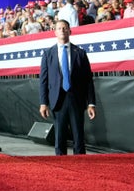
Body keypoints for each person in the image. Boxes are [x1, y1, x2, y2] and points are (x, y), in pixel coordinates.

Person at [39, 19, 96, 155]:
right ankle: (61, 166)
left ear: (70, 31)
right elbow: (43, 81)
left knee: (78, 136)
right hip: (57, 100)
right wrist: (43, 103)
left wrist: (91, 103)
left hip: (76, 99)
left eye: (65, 28)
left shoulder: (80, 53)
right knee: (59, 137)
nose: (62, 30)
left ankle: (81, 166)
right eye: (59, 28)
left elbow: (88, 80)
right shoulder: (48, 54)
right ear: (55, 32)